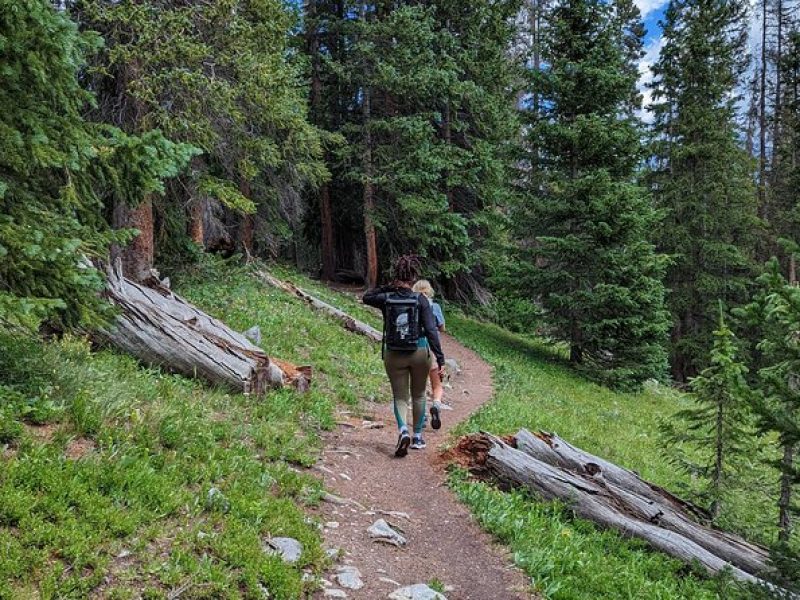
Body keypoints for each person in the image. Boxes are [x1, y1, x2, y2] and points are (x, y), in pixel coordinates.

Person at [363, 256, 446, 457]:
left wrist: (388, 288)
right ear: (414, 278)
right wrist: (440, 358)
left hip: (394, 352)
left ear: (395, 277)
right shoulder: (421, 300)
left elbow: (367, 296)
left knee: (400, 396)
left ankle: (403, 431)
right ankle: (417, 437)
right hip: (419, 352)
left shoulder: (386, 298)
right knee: (418, 394)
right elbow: (431, 330)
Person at [412, 279, 446, 430]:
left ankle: (422, 415)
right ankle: (437, 405)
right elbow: (442, 327)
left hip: (416, 348)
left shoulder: (412, 305)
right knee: (437, 385)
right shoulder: (435, 306)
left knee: (419, 386)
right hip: (432, 349)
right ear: (429, 291)